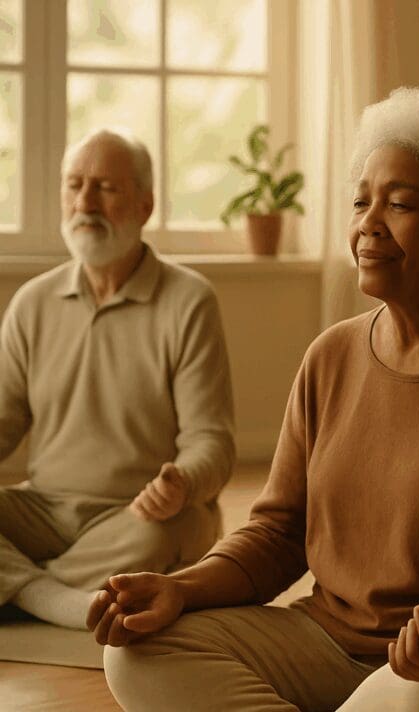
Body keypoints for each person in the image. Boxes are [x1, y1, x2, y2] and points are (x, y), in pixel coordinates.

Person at [91, 87, 419, 712]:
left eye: (401, 203)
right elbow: (277, 534)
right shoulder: (330, 357)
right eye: (361, 201)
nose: (368, 223)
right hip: (328, 645)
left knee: (412, 700)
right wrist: (180, 588)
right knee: (137, 651)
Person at [0, 128, 235, 631]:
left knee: (170, 532)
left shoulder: (189, 300)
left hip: (138, 518)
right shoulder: (32, 303)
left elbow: (211, 442)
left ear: (145, 205)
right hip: (45, 511)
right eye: (74, 185)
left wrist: (182, 483)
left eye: (105, 188)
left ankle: (20, 590)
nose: (85, 202)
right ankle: (58, 599)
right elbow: (3, 422)